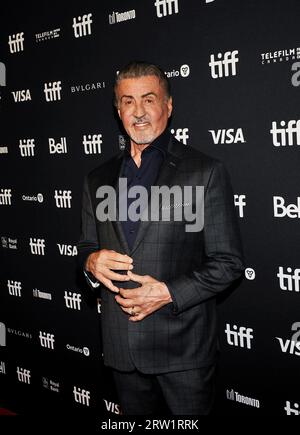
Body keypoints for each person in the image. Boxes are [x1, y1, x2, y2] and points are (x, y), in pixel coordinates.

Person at [77, 61, 244, 415]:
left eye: (148, 99)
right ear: (117, 109)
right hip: (122, 350)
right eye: (127, 101)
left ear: (167, 106)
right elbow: (87, 248)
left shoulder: (204, 171)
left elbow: (229, 264)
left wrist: (168, 292)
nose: (138, 112)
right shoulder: (97, 178)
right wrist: (91, 262)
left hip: (183, 351)